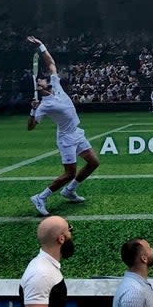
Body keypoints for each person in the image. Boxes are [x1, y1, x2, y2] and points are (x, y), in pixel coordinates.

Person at [27, 35, 100, 217]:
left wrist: (42, 45)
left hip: (77, 132)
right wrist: (32, 110)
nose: (45, 79)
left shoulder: (56, 85)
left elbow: (51, 63)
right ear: (39, 86)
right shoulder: (44, 105)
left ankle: (69, 191)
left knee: (93, 162)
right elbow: (31, 127)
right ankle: (41, 197)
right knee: (69, 173)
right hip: (66, 139)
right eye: (41, 80)